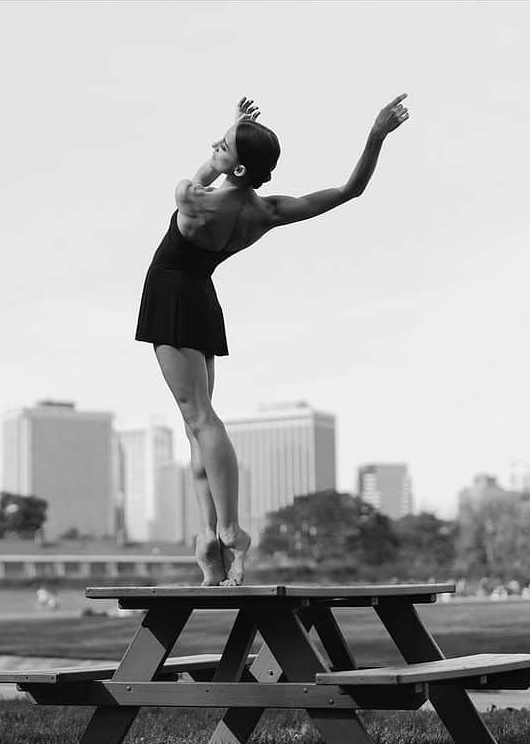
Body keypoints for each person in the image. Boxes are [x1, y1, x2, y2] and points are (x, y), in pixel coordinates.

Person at [134, 94, 410, 586]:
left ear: (236, 169)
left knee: (200, 418)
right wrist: (375, 135)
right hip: (201, 295)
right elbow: (350, 190)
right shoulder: (268, 212)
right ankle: (210, 541)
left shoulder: (192, 201)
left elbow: (195, 181)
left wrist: (216, 160)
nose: (214, 146)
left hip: (172, 295)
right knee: (195, 423)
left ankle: (231, 531)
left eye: (222, 146)